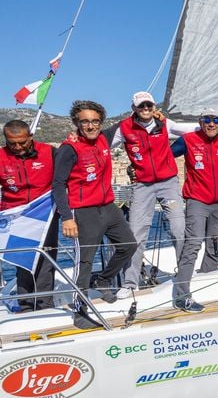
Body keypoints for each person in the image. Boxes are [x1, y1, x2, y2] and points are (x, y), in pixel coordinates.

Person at [53, 100, 137, 326]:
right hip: (83, 211)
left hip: (109, 207)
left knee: (129, 246)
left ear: (101, 122)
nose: (91, 126)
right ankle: (79, 312)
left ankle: (102, 280)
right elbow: (58, 185)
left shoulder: (104, 138)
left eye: (95, 121)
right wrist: (67, 217)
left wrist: (154, 113)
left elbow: (131, 119)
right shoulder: (68, 149)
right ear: (76, 124)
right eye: (85, 122)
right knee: (85, 262)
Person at [110, 91, 190, 299]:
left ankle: (185, 275)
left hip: (168, 183)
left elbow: (194, 130)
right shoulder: (124, 128)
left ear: (154, 107)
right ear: (134, 108)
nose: (145, 109)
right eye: (141, 106)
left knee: (178, 228)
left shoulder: (166, 124)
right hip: (142, 185)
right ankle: (130, 283)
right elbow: (101, 144)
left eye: (149, 105)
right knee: (135, 234)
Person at [170, 108, 218, 312]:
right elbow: (165, 156)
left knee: (215, 244)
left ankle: (204, 280)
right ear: (200, 122)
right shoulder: (188, 140)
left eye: (216, 120)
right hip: (197, 200)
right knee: (193, 244)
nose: (211, 124)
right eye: (207, 120)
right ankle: (181, 294)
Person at [0, 120, 58, 311]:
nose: (17, 147)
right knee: (22, 261)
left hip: (44, 214)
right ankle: (25, 305)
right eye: (11, 143)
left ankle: (44, 305)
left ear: (30, 136)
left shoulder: (49, 152)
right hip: (15, 218)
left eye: (22, 142)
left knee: (45, 261)